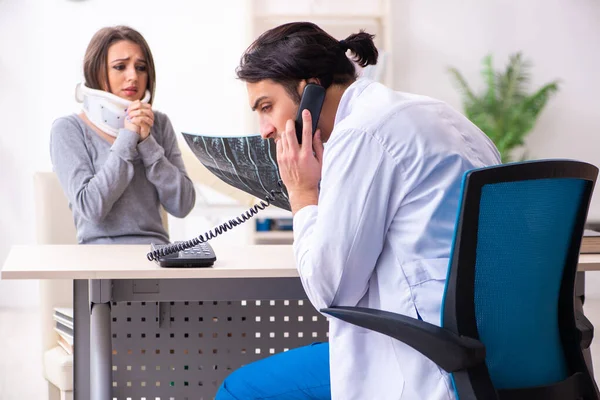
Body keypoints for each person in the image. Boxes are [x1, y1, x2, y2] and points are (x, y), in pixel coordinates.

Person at [216, 22, 501, 400]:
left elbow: (329, 292)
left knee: (240, 390)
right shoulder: (438, 115)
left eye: (267, 107)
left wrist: (302, 193)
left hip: (428, 364)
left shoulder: (363, 134)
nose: (265, 129)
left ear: (309, 90)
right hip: (494, 352)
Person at [50, 26, 195, 245]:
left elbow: (182, 205)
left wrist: (147, 143)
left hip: (157, 258)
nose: (133, 76)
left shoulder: (160, 124)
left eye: (141, 67)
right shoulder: (68, 129)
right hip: (100, 260)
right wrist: (128, 137)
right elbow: (91, 208)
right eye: (120, 66)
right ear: (96, 72)